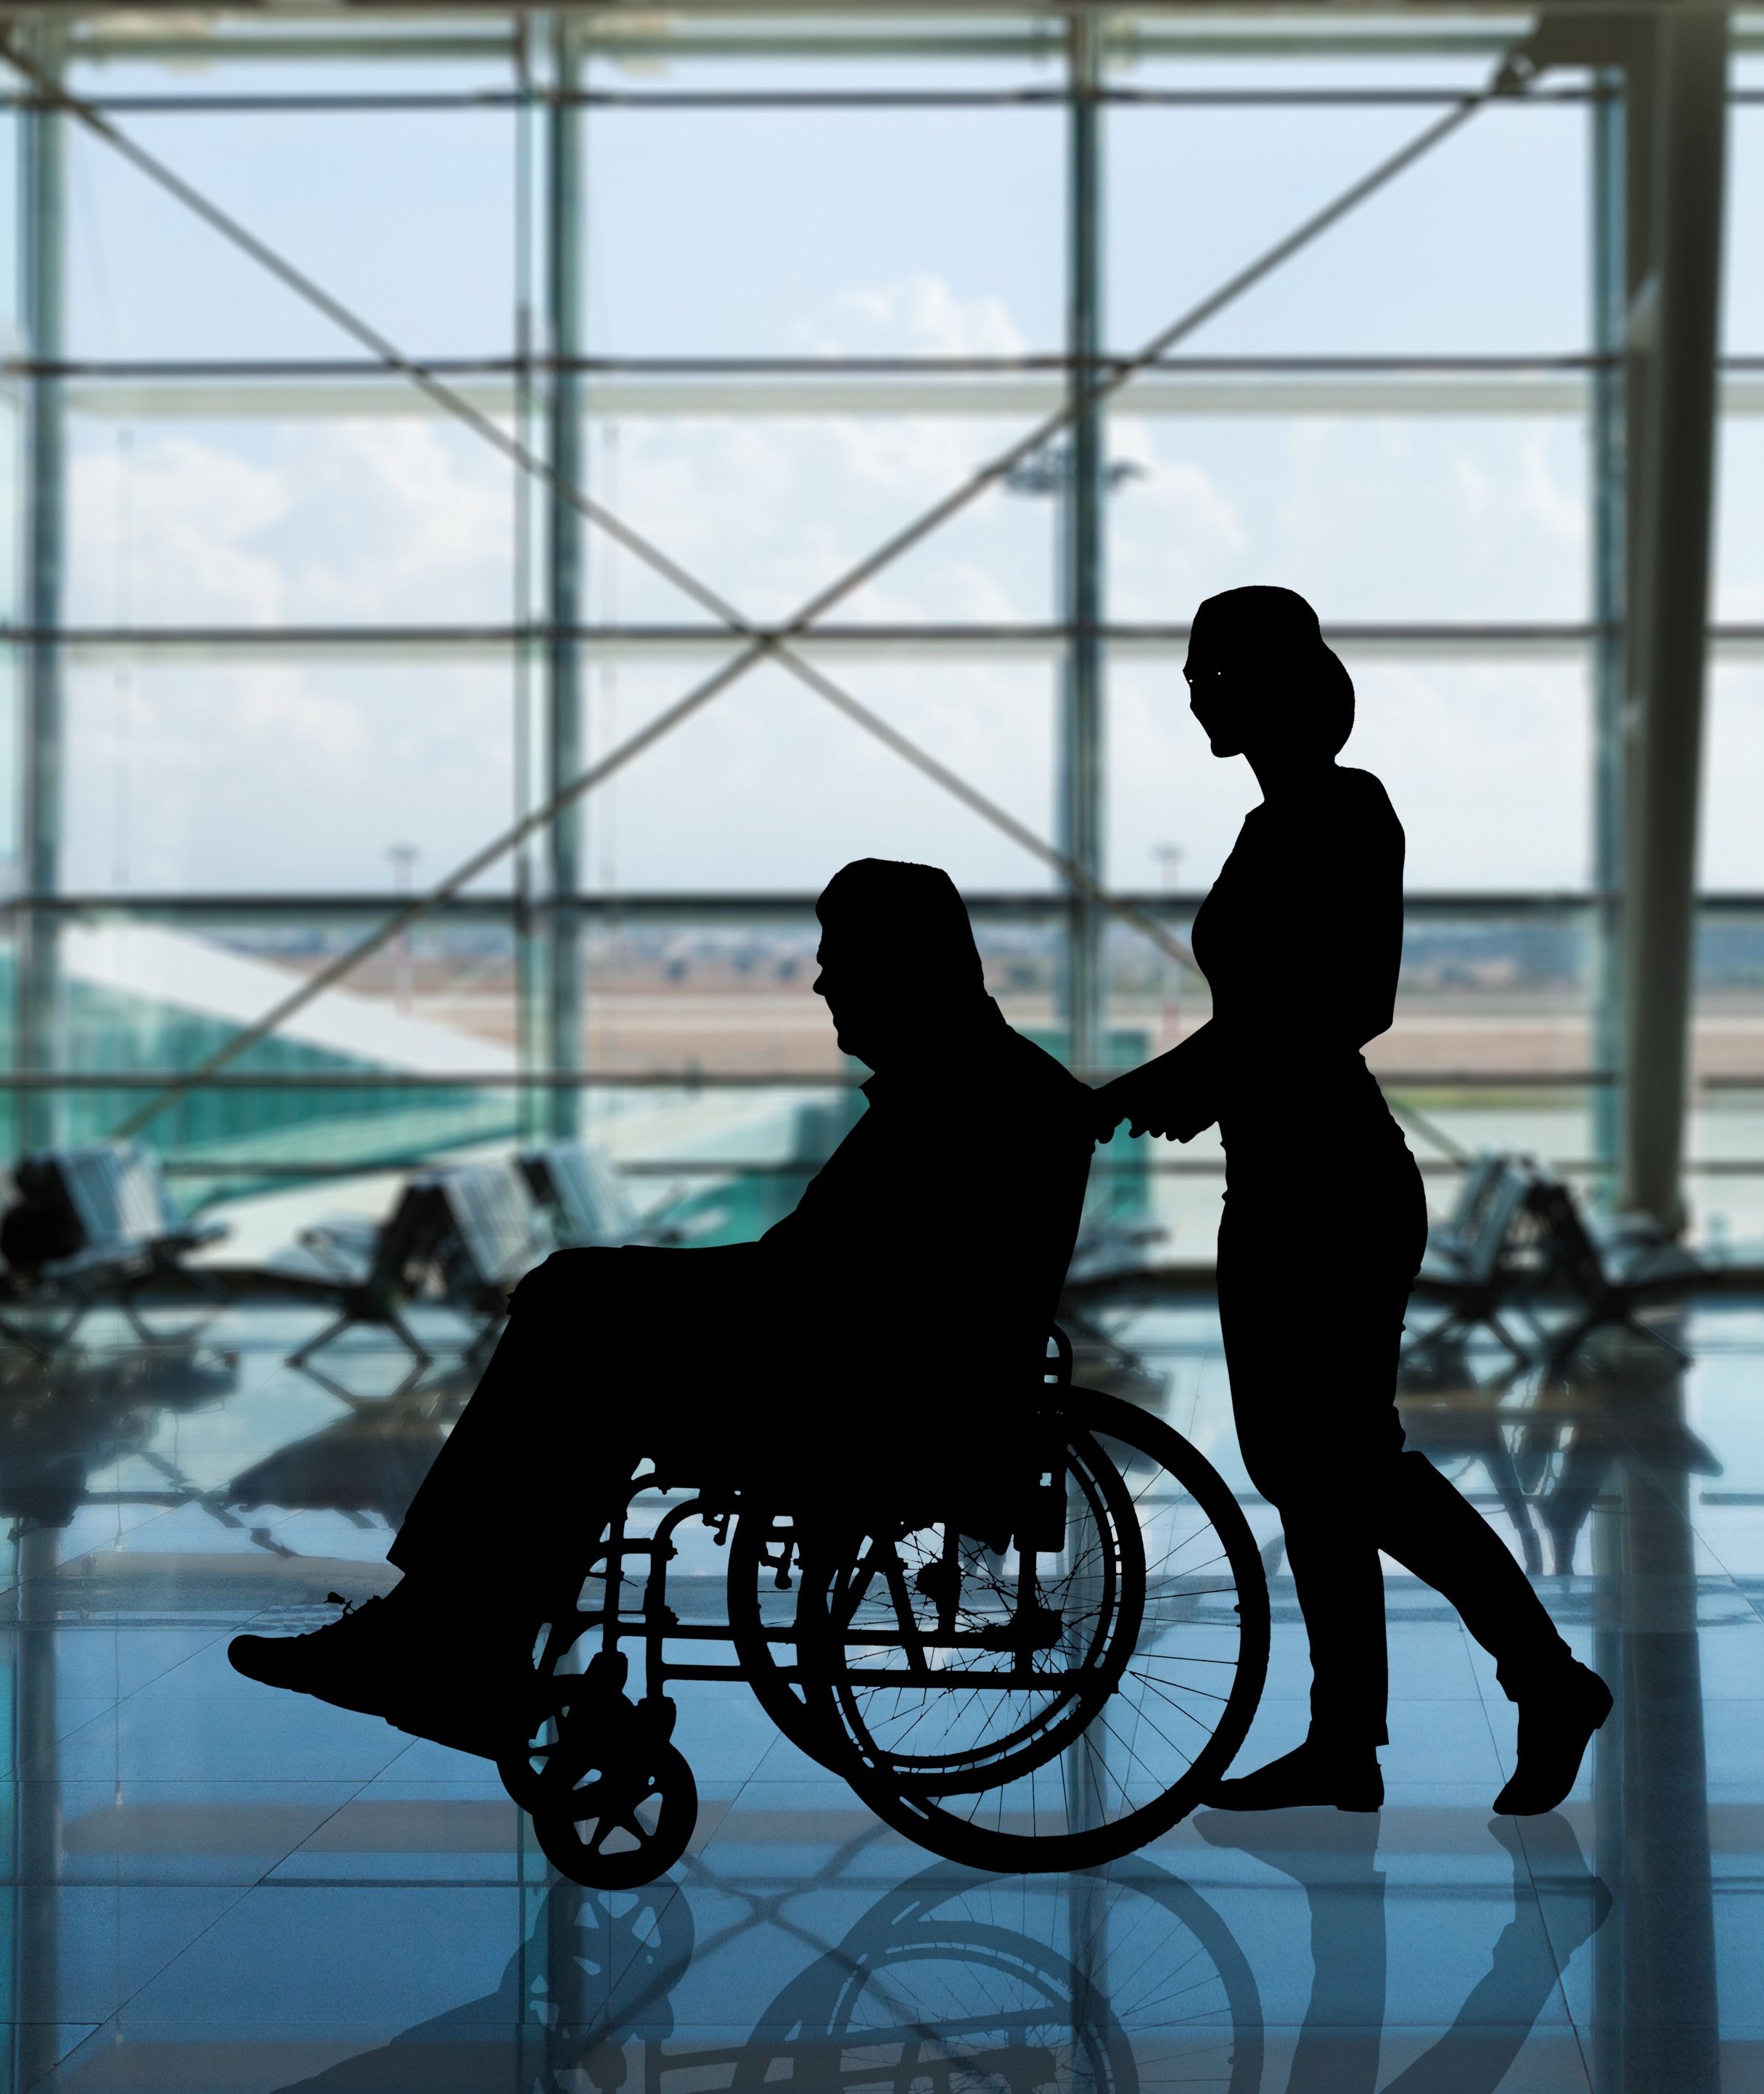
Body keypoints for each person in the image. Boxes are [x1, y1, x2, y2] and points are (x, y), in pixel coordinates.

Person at [231, 859, 1096, 1739]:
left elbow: (808, 1284)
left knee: (575, 1337)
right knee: (586, 1338)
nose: (822, 979)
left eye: (839, 955)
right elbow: (828, 1280)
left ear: (898, 962)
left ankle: (445, 1633)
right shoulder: (989, 1084)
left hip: (864, 1402)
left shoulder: (955, 1099)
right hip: (888, 1379)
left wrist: (604, 1275)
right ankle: (451, 1635)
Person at [1096, 585, 1610, 1817]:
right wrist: (1194, 1081)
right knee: (1308, 1469)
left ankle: (1541, 1679)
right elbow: (1267, 1019)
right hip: (1279, 1175)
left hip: (1327, 1184)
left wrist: (1182, 1078)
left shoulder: (1339, 809)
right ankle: (1347, 1738)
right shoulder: (1275, 819)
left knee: (1349, 1465)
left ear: (1271, 679)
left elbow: (1342, 1006)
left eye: (1208, 670)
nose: (1189, 692)